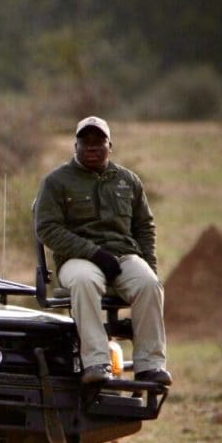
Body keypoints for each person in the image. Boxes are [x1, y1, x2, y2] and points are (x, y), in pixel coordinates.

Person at [35, 116, 171, 386]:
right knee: (85, 281)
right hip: (77, 259)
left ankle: (150, 365)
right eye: (85, 142)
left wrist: (148, 267)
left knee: (149, 285)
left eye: (99, 142)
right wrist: (94, 253)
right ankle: (96, 362)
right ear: (75, 146)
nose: (92, 147)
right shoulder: (57, 181)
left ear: (111, 145)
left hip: (124, 256)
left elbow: (145, 227)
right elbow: (47, 228)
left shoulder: (128, 181)